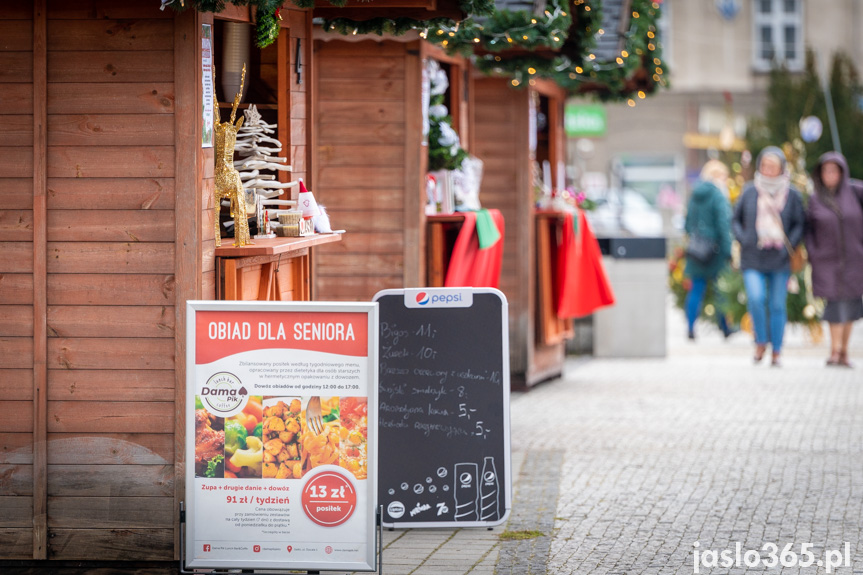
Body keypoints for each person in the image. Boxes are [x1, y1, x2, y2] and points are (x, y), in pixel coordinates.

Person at [732, 146, 805, 367]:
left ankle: (777, 350)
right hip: (752, 256)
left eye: (772, 166)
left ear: (781, 168)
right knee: (755, 298)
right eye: (764, 165)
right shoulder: (749, 191)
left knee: (777, 305)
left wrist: (788, 244)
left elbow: (799, 223)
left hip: (780, 258)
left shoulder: (792, 194)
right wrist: (744, 237)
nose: (768, 169)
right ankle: (760, 341)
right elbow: (735, 219)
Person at [805, 151, 863, 367]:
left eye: (834, 170)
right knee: (835, 305)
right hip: (827, 260)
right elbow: (808, 229)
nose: (830, 175)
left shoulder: (855, 192)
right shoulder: (815, 198)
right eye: (825, 171)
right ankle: (835, 351)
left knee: (851, 304)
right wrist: (813, 252)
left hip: (854, 258)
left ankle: (844, 351)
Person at [684, 160, 733, 340]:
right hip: (716, 250)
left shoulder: (695, 194)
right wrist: (728, 250)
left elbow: (688, 222)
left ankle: (690, 327)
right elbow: (724, 225)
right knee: (721, 290)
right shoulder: (718, 195)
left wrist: (696, 239)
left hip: (697, 250)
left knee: (696, 289)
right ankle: (725, 327)